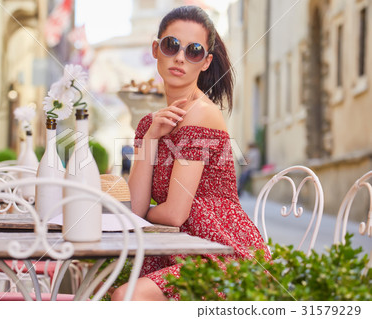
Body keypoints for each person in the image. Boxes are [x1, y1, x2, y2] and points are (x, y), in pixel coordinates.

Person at [111, 6, 270, 301]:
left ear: (206, 62)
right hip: (179, 248)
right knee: (101, 290)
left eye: (194, 51)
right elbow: (134, 211)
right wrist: (150, 138)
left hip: (219, 253)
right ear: (156, 49)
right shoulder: (150, 124)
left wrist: (146, 214)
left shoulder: (201, 114)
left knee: (127, 296)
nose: (180, 57)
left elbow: (173, 214)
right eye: (172, 46)